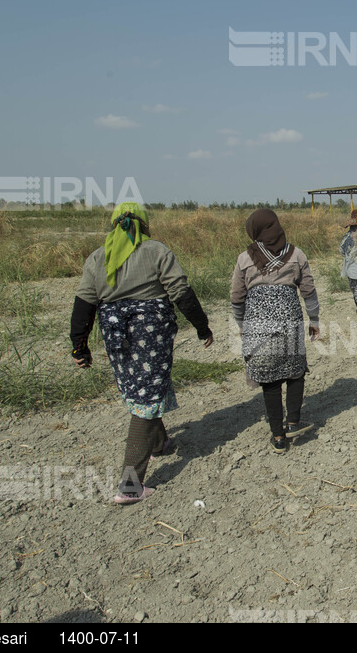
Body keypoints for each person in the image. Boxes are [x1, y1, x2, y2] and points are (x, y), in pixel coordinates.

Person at [70, 202, 214, 505]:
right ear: (145, 225)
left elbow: (84, 303)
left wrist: (79, 345)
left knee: (141, 385)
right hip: (150, 331)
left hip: (114, 333)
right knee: (147, 396)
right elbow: (181, 292)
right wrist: (202, 327)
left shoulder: (98, 257)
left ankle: (159, 443)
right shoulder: (156, 251)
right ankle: (131, 485)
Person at [231, 209, 320, 454]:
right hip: (289, 323)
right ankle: (293, 421)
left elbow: (237, 298)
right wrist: (314, 319)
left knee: (269, 381)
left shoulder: (244, 259)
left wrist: (241, 325)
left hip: (257, 327)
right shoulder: (296, 254)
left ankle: (278, 436)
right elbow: (308, 291)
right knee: (295, 372)